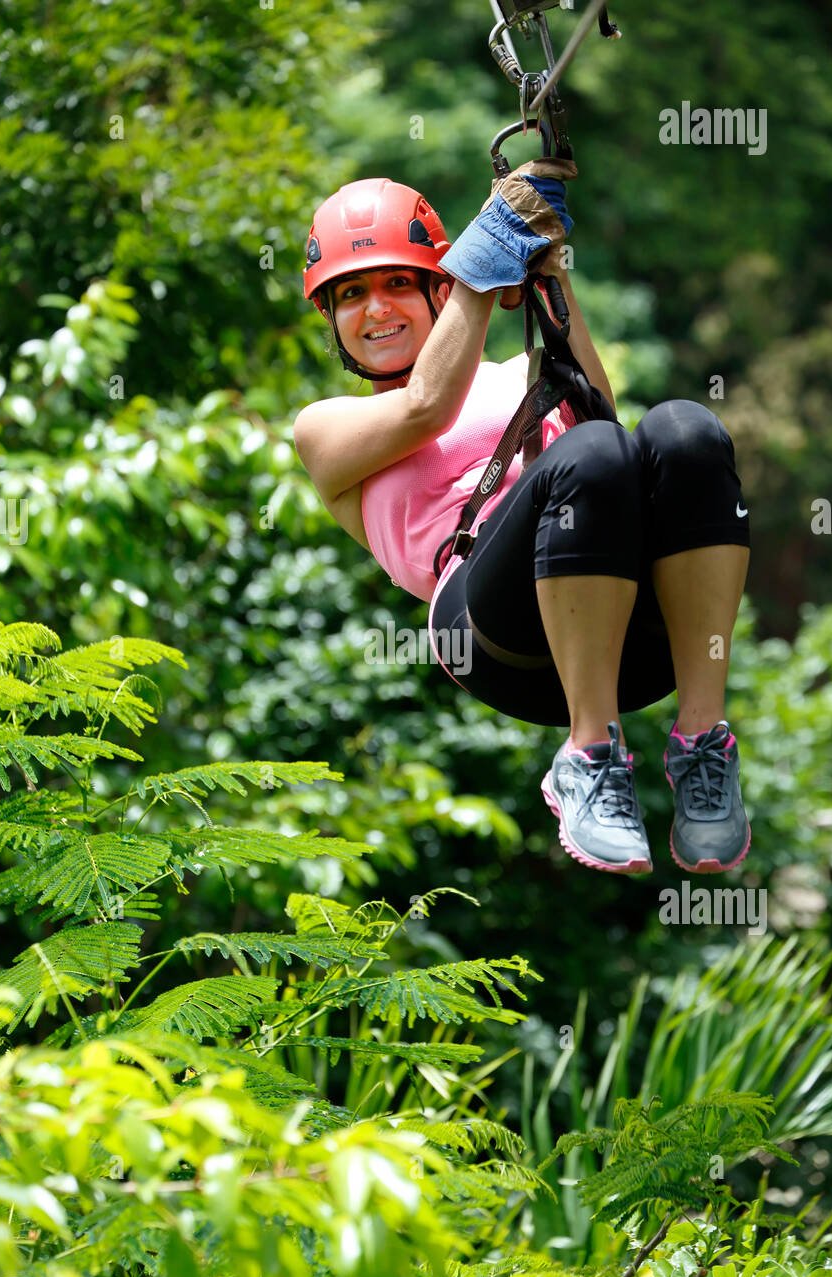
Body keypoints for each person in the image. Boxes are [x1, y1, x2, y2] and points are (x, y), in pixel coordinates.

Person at [294, 169, 752, 876]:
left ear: (435, 292)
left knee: (686, 431)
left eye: (397, 284)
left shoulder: (518, 373)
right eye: (352, 294)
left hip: (632, 625)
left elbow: (611, 433)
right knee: (590, 452)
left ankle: (702, 745)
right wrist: (484, 255)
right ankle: (590, 756)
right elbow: (426, 408)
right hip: (494, 633)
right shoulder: (327, 428)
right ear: (332, 318)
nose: (376, 308)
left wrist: (546, 265)